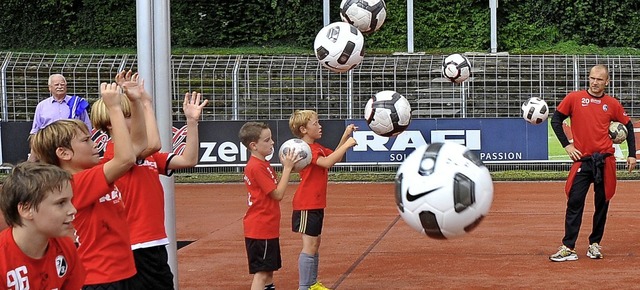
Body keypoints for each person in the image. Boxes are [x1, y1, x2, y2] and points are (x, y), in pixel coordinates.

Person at [93, 71, 208, 289]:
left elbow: (188, 160)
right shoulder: (116, 155)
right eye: (128, 116)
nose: (134, 119)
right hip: (135, 246)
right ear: (110, 123)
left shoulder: (145, 155)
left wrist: (192, 122)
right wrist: (144, 103)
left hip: (150, 243)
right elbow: (153, 143)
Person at [31, 81, 145, 289]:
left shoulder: (92, 173)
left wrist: (136, 103)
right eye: (86, 141)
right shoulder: (75, 183)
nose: (94, 145)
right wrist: (114, 108)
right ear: (64, 153)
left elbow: (138, 146)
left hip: (119, 274)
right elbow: (127, 158)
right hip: (99, 279)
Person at [549, 64, 637, 262]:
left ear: (607, 82)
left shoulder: (612, 104)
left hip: (605, 161)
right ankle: (568, 247)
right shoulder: (574, 98)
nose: (595, 82)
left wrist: (632, 154)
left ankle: (594, 244)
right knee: (574, 201)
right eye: (592, 78)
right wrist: (567, 146)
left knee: (602, 203)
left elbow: (629, 126)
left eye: (599, 79)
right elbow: (556, 120)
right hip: (583, 160)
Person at [288, 110, 358, 290]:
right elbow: (326, 163)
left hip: (315, 202)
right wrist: (347, 144)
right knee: (309, 245)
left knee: (315, 243)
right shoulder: (305, 150)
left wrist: (345, 137)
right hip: (306, 203)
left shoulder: (316, 147)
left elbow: (334, 158)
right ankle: (305, 286)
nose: (320, 126)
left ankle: (312, 283)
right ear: (303, 129)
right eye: (316, 123)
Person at [0, 161, 86, 289]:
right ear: (26, 209)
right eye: (61, 203)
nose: (73, 209)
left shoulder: (66, 247)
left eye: (70, 201)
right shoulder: (3, 259)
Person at [238, 122, 301, 290]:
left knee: (269, 271)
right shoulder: (257, 167)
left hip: (266, 226)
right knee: (262, 273)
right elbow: (277, 194)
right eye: (267, 140)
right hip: (260, 227)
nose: (272, 142)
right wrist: (287, 169)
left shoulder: (263, 164)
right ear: (254, 145)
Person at [28, 74, 92, 162]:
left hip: (71, 145)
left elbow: (87, 126)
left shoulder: (77, 104)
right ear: (50, 88)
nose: (60, 87)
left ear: (66, 86)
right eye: (56, 85)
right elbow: (35, 130)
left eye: (62, 84)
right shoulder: (42, 106)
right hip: (49, 145)